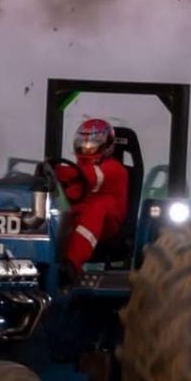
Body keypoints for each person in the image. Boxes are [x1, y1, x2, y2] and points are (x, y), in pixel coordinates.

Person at [55, 118, 129, 283]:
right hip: (78, 213)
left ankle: (71, 265)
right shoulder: (76, 169)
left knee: (97, 209)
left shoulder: (114, 169)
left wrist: (56, 171)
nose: (87, 146)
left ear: (106, 144)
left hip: (109, 221)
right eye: (84, 141)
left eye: (93, 142)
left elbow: (90, 176)